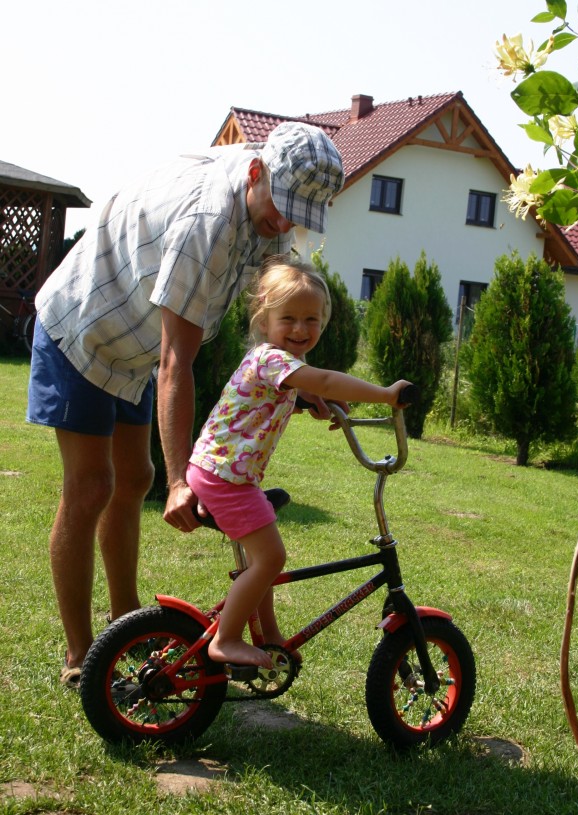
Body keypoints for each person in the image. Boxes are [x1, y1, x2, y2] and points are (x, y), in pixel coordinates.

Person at [26, 122, 345, 688]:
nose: (284, 223)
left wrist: (301, 386)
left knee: (132, 477)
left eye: (298, 214)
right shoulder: (209, 221)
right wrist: (181, 483)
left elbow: (264, 339)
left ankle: (124, 626)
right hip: (85, 325)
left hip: (137, 347)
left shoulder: (267, 218)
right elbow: (179, 360)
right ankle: (82, 658)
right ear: (255, 173)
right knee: (92, 485)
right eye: (281, 207)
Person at [186, 257, 409, 668]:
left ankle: (269, 637)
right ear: (264, 318)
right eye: (288, 318)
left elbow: (302, 390)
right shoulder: (271, 360)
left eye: (312, 320)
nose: (301, 330)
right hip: (225, 477)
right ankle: (226, 638)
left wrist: (315, 402)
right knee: (271, 559)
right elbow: (319, 379)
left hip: (225, 471)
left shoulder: (275, 365)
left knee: (261, 559)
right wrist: (385, 394)